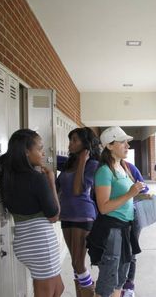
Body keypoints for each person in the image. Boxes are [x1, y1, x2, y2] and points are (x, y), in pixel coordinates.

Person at [0, 129, 63, 297]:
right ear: (26, 151)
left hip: (25, 241)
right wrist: (51, 182)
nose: (43, 153)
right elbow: (54, 215)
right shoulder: (37, 178)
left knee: (58, 289)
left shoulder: (9, 175)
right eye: (39, 149)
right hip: (41, 243)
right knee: (48, 293)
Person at [87, 126, 144, 297]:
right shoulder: (104, 171)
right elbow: (103, 207)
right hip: (111, 231)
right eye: (122, 142)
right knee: (107, 281)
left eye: (127, 142)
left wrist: (137, 194)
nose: (127, 146)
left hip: (125, 228)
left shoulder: (123, 168)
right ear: (110, 146)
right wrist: (130, 194)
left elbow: (125, 198)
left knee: (120, 278)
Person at [56, 127, 100, 297]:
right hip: (66, 215)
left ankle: (90, 293)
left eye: (74, 140)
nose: (70, 144)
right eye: (70, 140)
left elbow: (77, 190)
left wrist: (82, 160)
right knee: (75, 265)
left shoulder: (92, 164)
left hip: (83, 215)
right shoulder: (68, 163)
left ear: (85, 144)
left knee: (78, 263)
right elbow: (48, 161)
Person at [121, 161, 151, 297]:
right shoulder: (104, 168)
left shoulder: (129, 167)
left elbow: (144, 188)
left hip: (133, 215)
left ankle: (128, 285)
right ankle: (118, 284)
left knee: (131, 250)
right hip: (113, 217)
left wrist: (131, 193)